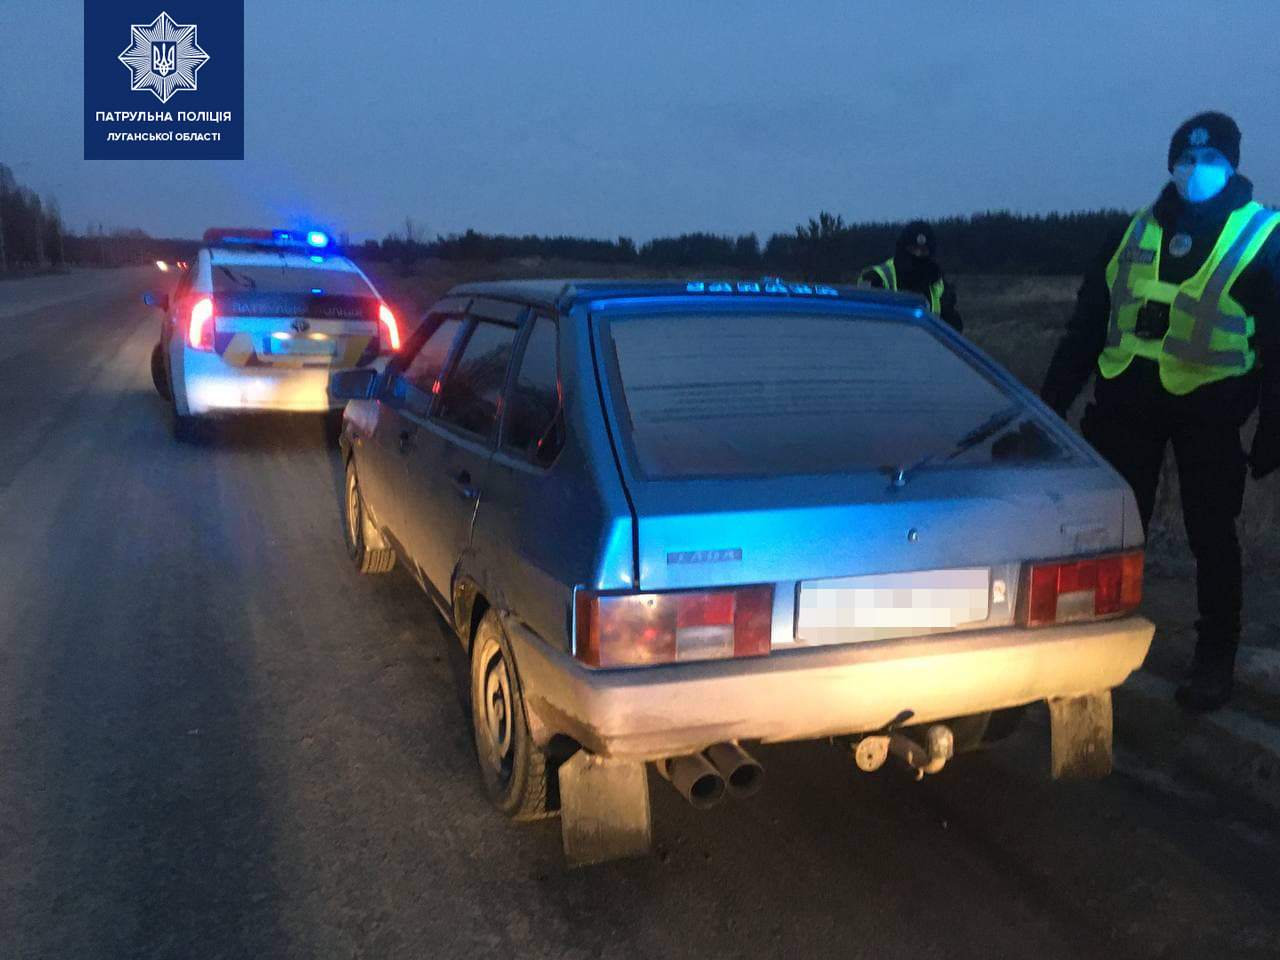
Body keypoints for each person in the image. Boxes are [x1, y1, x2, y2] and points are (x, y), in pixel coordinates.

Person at [1040, 111, 1280, 711]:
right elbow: (1086, 329)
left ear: (1233, 165)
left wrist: (1274, 428)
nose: (1197, 169)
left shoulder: (1263, 236)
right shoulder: (1131, 232)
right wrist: (1046, 408)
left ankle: (1214, 657)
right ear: (1171, 163)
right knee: (1111, 530)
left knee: (1211, 534)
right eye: (1187, 158)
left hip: (1209, 411)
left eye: (1212, 159)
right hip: (1125, 406)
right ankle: (1092, 642)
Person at [858, 220, 963, 331]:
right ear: (903, 248)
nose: (918, 254)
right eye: (913, 249)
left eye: (924, 250)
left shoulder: (937, 281)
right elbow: (864, 322)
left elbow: (951, 327)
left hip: (924, 345)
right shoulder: (876, 277)